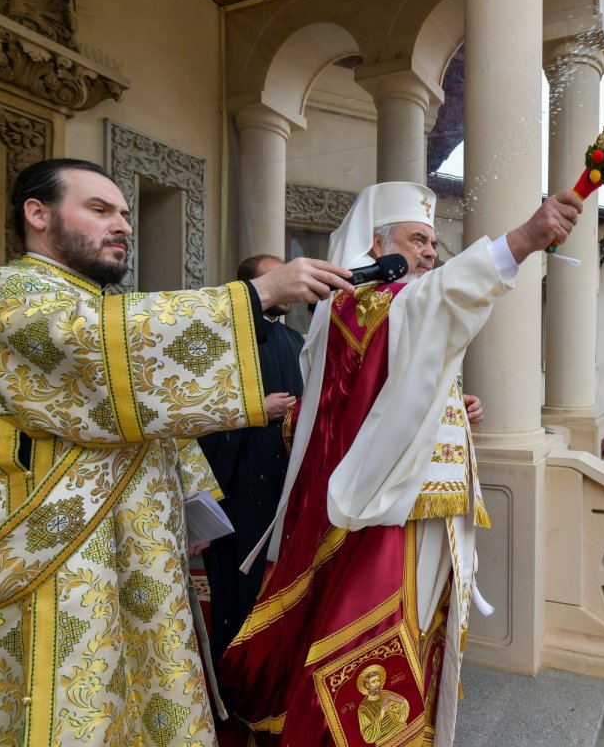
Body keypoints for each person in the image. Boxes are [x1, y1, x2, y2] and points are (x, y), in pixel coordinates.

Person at [0, 159, 352, 746]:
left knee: (137, 697)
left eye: (124, 212)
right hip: (44, 554)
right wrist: (258, 293)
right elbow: (95, 351)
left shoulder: (106, 307)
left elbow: (150, 405)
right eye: (99, 209)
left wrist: (193, 508)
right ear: (36, 214)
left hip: (139, 553)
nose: (123, 225)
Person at [219, 181, 582, 746]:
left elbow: (395, 387)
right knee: (373, 636)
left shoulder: (390, 302)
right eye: (418, 239)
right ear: (375, 241)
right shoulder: (356, 300)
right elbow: (430, 306)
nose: (430, 252)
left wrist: (449, 409)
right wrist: (520, 241)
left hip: (416, 506)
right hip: (379, 518)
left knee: (418, 633)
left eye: (433, 243)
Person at [194, 254, 308, 688]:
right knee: (236, 589)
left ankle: (271, 676)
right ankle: (234, 680)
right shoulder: (222, 339)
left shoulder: (297, 340)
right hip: (238, 486)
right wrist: (259, 409)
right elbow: (193, 409)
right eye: (274, 275)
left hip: (285, 484)